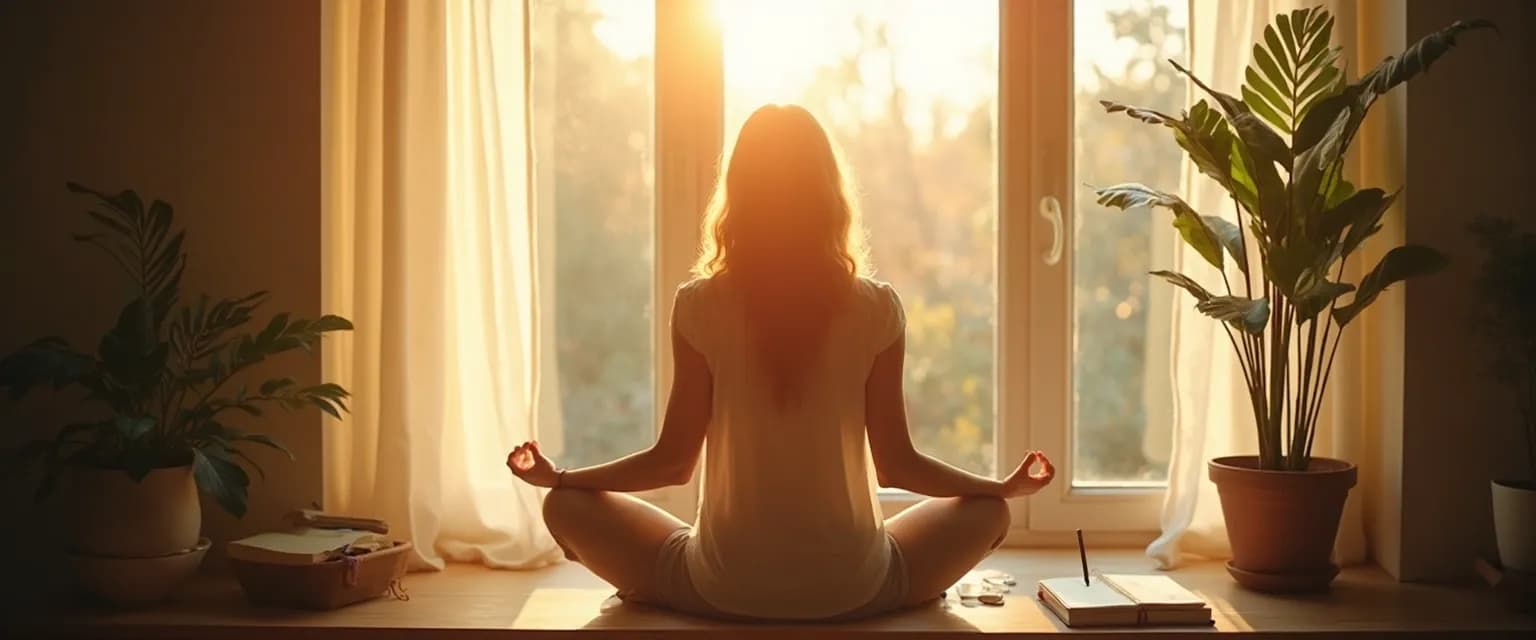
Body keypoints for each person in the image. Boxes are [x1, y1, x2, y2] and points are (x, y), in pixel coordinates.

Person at [507, 104, 1055, 621]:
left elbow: (671, 464)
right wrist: (999, 489)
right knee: (989, 514)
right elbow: (898, 466)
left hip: (719, 587)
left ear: (738, 194)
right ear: (829, 196)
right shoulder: (876, 307)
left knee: (564, 508)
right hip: (856, 588)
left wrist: (561, 477)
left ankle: (659, 593)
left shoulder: (699, 305)